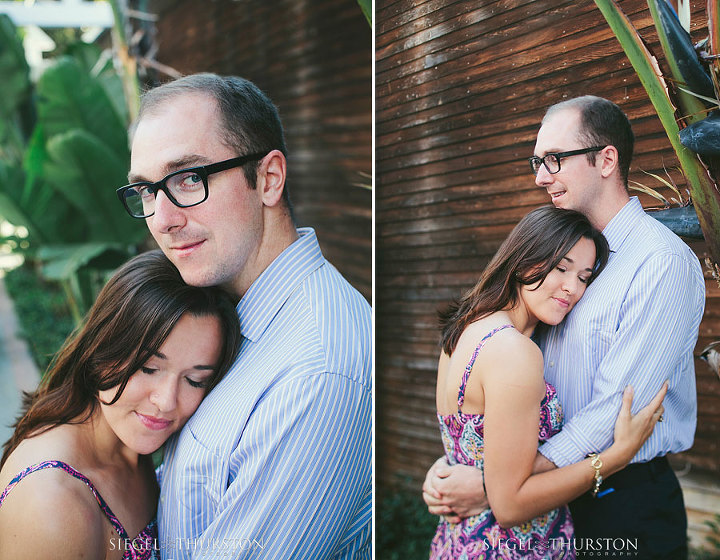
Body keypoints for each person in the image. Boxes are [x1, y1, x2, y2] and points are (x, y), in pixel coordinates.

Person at [424, 96, 705, 559]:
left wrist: (498, 481)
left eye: (554, 159)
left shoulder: (661, 263)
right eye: (537, 161)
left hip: (620, 503)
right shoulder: (560, 259)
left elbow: (616, 411)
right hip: (548, 499)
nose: (540, 175)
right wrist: (469, 459)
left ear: (606, 160)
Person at [116, 73, 372, 559]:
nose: (162, 219)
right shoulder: (217, 316)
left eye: (188, 178)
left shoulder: (316, 373)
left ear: (269, 179)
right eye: (147, 191)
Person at [430, 205, 666, 559]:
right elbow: (510, 506)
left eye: (585, 277)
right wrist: (616, 458)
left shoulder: (466, 327)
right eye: (561, 269)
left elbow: (467, 444)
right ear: (526, 260)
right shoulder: (514, 351)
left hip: (460, 542)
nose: (573, 289)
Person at [0, 250, 241, 560]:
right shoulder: (52, 504)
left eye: (195, 380)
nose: (166, 402)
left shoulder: (127, 444)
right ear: (104, 348)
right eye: (149, 368)